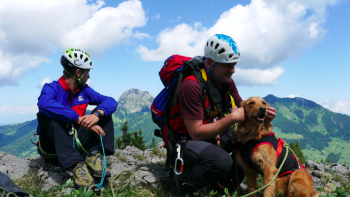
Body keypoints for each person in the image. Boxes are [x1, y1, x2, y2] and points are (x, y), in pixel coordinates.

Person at [173, 34, 276, 196]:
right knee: (222, 161)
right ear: (209, 63)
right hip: (187, 142)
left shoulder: (226, 81)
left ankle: (222, 185)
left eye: (234, 65)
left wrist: (261, 116)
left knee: (245, 147)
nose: (233, 70)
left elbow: (244, 110)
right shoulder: (191, 86)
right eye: (227, 65)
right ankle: (184, 182)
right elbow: (196, 133)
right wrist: (232, 118)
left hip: (212, 138)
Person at [36, 48, 118, 189]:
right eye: (87, 71)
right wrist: (78, 119)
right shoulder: (51, 88)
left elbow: (110, 101)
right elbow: (44, 104)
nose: (89, 76)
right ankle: (76, 166)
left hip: (74, 142)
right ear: (78, 72)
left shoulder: (84, 91)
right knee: (50, 115)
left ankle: (93, 154)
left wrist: (96, 115)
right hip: (52, 146)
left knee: (105, 113)